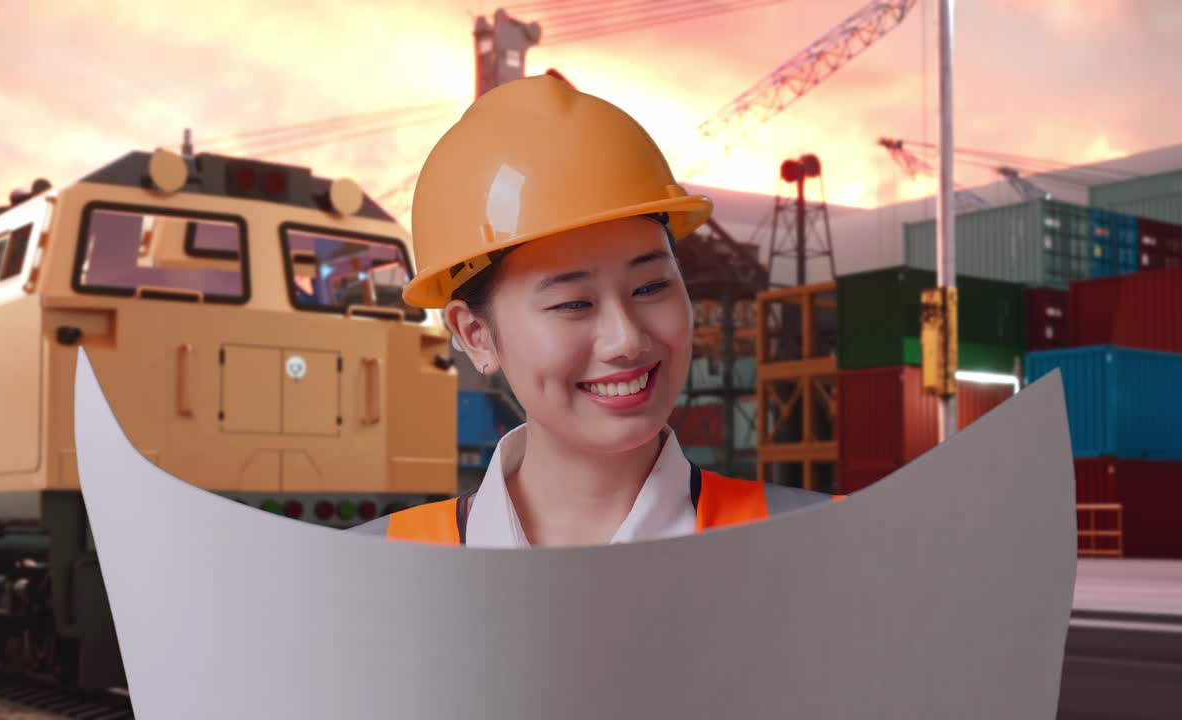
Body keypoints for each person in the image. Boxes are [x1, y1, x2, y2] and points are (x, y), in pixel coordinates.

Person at [352, 73, 839, 547]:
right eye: (573, 304)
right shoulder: (375, 574)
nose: (626, 339)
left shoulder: (823, 546)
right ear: (476, 333)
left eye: (651, 287)